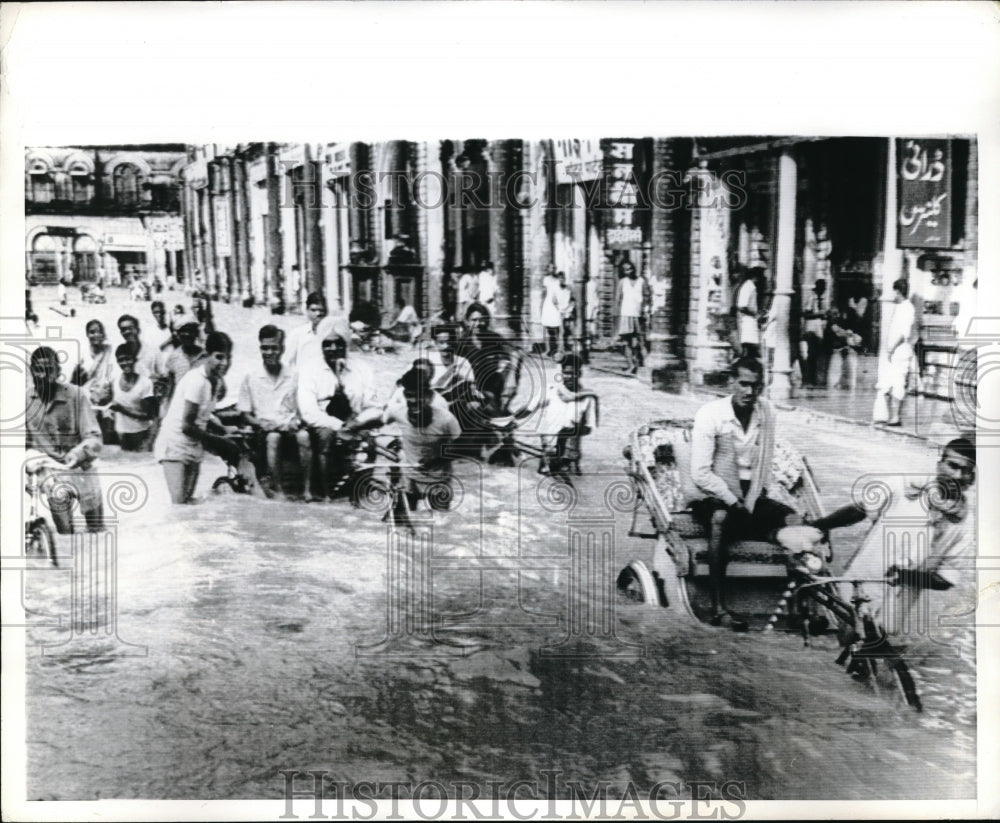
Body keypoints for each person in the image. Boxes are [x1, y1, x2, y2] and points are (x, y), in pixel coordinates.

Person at [810, 437, 976, 658]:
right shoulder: (905, 486)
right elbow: (859, 510)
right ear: (940, 464)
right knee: (836, 645)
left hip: (892, 611)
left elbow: (946, 579)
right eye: (952, 466)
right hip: (857, 586)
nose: (957, 475)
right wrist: (818, 527)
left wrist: (908, 577)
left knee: (866, 655)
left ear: (971, 478)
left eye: (965, 471)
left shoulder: (966, 523)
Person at [690, 357, 802, 629]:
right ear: (731, 383)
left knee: (795, 520)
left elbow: (764, 462)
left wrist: (751, 500)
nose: (750, 392)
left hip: (751, 490)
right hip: (715, 490)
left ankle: (800, 604)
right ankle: (719, 606)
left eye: (756, 386)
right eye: (743, 384)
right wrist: (732, 501)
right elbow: (700, 473)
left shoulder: (766, 412)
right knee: (720, 518)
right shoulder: (710, 414)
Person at [296, 320, 382, 499]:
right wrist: (340, 426)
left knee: (371, 441)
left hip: (355, 424)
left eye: (339, 343)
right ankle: (326, 494)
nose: (333, 348)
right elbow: (308, 411)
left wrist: (356, 423)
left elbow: (374, 407)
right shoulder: (309, 370)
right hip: (322, 425)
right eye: (327, 344)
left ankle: (362, 490)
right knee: (325, 435)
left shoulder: (363, 369)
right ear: (321, 346)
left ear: (346, 344)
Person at [153, 331, 240, 504]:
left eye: (227, 358)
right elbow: (187, 425)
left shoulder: (215, 381)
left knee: (189, 505)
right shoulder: (197, 380)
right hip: (174, 445)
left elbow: (204, 415)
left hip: (193, 445)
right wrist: (221, 441)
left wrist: (223, 430)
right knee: (179, 505)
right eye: (219, 357)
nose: (224, 363)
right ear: (207, 355)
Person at [25, 346, 104, 533]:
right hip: (50, 471)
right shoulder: (25, 400)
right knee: (65, 534)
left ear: (58, 372)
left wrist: (78, 453)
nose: (44, 375)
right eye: (38, 369)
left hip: (82, 467)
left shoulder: (76, 395)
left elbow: (94, 437)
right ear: (31, 372)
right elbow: (21, 443)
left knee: (97, 530)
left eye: (49, 369)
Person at [236, 325, 312, 500]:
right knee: (273, 437)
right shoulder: (251, 376)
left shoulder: (294, 375)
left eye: (274, 348)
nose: (269, 352)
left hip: (289, 427)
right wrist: (260, 423)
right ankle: (279, 491)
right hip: (264, 432)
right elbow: (244, 414)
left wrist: (298, 420)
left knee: (304, 436)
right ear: (260, 348)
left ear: (282, 349)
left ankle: (307, 490)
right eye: (265, 348)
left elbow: (303, 408)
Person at [381, 366, 461, 511]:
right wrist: (351, 428)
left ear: (428, 395)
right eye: (410, 395)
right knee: (405, 523)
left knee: (442, 523)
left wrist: (435, 460)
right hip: (410, 477)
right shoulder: (397, 411)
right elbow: (378, 420)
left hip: (439, 478)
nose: (414, 401)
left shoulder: (445, 417)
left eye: (419, 396)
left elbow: (461, 448)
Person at [874, 278, 915, 427]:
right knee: (886, 383)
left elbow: (904, 334)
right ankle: (887, 415)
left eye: (895, 292)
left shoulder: (908, 308)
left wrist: (892, 348)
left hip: (900, 351)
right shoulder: (901, 307)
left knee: (898, 383)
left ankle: (896, 417)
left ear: (898, 291)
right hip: (894, 352)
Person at [70, 319, 117, 444]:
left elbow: (114, 377)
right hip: (87, 404)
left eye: (99, 332)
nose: (96, 335)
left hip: (106, 402)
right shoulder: (82, 357)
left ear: (103, 334)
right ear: (87, 335)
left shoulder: (110, 352)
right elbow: (73, 384)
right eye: (92, 332)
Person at [109, 343, 157, 451]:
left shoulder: (145, 383)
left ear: (134, 360)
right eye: (121, 360)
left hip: (141, 434)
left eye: (128, 359)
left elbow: (149, 415)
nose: (125, 363)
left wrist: (122, 409)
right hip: (121, 434)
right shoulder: (114, 382)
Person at [162, 321, 206, 403]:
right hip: (180, 405)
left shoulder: (206, 357)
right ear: (178, 335)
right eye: (183, 331)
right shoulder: (173, 357)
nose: (187, 334)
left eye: (190, 331)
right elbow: (170, 387)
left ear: (196, 333)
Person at [285, 291, 328, 370]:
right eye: (313, 310)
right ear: (307, 311)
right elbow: (286, 362)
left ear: (326, 312)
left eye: (321, 310)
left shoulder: (331, 335)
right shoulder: (297, 334)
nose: (318, 313)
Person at [617, 261, 645, 373]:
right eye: (627, 269)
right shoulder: (622, 282)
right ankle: (631, 364)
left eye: (631, 268)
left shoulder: (642, 281)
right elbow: (618, 299)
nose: (630, 271)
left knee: (639, 341)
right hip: (626, 314)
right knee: (626, 341)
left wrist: (645, 311)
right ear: (624, 271)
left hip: (638, 314)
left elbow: (647, 296)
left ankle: (639, 364)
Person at [801, 279, 829, 387]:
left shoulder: (823, 299)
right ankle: (808, 379)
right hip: (811, 330)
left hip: (819, 331)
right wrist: (819, 314)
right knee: (811, 355)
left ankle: (813, 379)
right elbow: (806, 314)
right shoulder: (811, 297)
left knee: (815, 355)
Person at [116, 314, 161, 381]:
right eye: (123, 329)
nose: (127, 332)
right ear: (121, 333)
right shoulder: (120, 354)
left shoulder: (153, 351)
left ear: (138, 330)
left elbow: (163, 376)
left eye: (130, 328)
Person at [735, 269, 762, 360]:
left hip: (749, 320)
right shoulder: (749, 287)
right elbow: (742, 306)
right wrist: (754, 314)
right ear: (755, 277)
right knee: (749, 345)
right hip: (748, 320)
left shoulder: (749, 286)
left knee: (750, 345)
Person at [541, 268, 564, 358]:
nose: (552, 270)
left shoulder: (558, 280)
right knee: (548, 327)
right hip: (548, 304)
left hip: (556, 304)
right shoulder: (546, 279)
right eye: (550, 268)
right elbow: (544, 292)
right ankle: (549, 349)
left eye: (554, 268)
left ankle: (558, 350)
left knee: (557, 327)